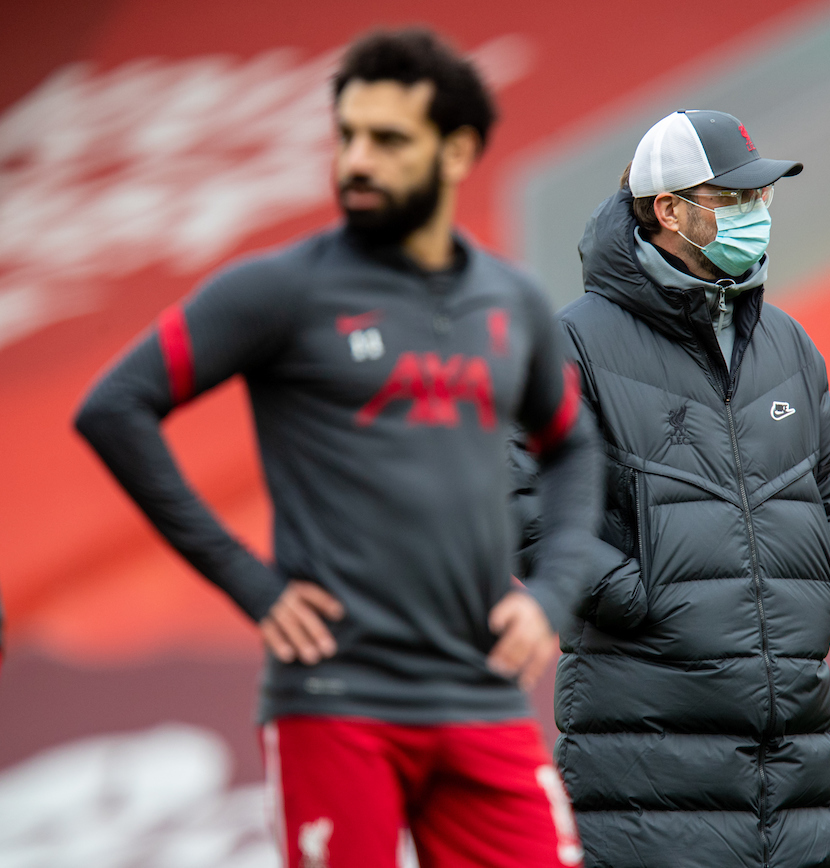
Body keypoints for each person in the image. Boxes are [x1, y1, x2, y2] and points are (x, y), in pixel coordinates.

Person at [74, 29, 597, 868]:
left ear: (457, 151)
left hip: (483, 697)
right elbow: (116, 406)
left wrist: (550, 596)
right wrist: (249, 581)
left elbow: (571, 448)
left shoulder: (514, 302)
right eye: (347, 135)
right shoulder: (277, 290)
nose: (356, 160)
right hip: (336, 701)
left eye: (388, 140)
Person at [521, 110, 830, 867]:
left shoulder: (788, 343)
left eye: (762, 198)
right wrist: (639, 600)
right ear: (670, 210)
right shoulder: (573, 343)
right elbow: (521, 501)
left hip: (799, 769)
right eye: (735, 199)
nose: (758, 215)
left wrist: (819, 589)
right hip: (647, 775)